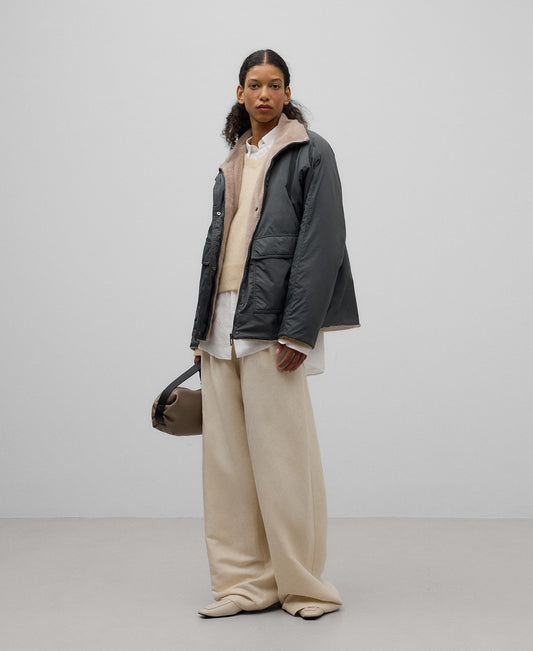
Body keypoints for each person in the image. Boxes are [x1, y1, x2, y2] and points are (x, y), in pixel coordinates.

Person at [189, 48, 360, 620]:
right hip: (222, 327)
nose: (264, 94)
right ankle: (243, 584)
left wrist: (299, 332)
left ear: (288, 93)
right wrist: (201, 329)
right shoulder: (234, 158)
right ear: (240, 93)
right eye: (254, 84)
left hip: (273, 327)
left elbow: (322, 244)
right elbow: (218, 250)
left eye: (275, 84)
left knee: (283, 462)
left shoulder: (311, 151)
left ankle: (304, 586)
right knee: (227, 467)